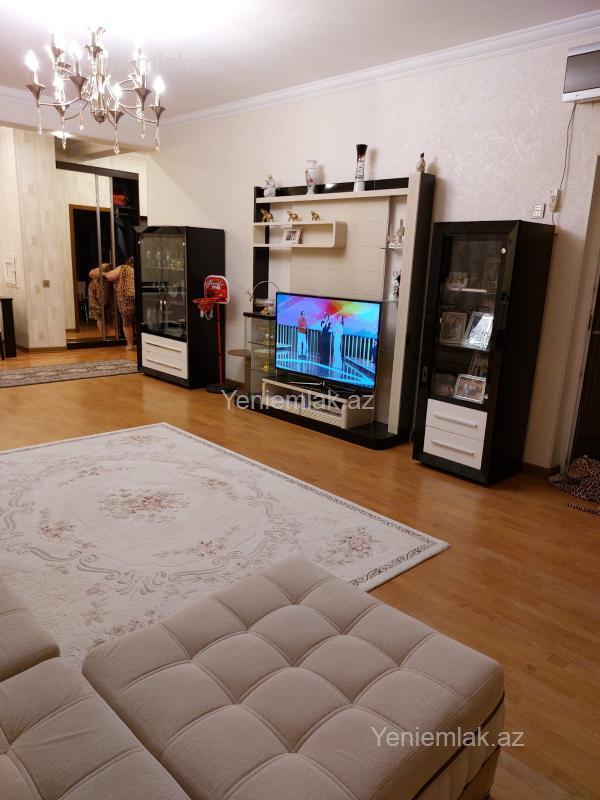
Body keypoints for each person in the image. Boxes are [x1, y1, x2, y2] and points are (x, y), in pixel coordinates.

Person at [89, 257, 136, 349]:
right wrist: (104, 273)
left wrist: (107, 274)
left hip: (116, 294)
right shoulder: (107, 266)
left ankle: (128, 344)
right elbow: (91, 273)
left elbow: (110, 277)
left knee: (125, 320)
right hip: (97, 292)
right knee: (100, 314)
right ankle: (105, 337)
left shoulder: (124, 268)